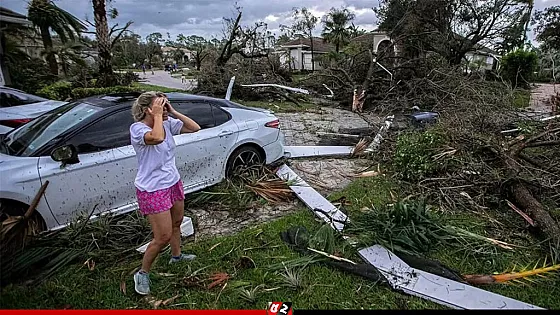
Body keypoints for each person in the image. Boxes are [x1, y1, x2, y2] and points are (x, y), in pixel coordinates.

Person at [129, 91, 201, 295]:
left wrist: (172, 111)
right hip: (152, 189)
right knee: (162, 236)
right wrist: (159, 116)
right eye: (159, 105)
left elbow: (195, 127)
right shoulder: (137, 129)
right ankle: (142, 273)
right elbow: (157, 138)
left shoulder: (167, 123)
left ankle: (176, 256)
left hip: (172, 182)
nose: (164, 107)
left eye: (164, 104)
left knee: (177, 223)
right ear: (147, 110)